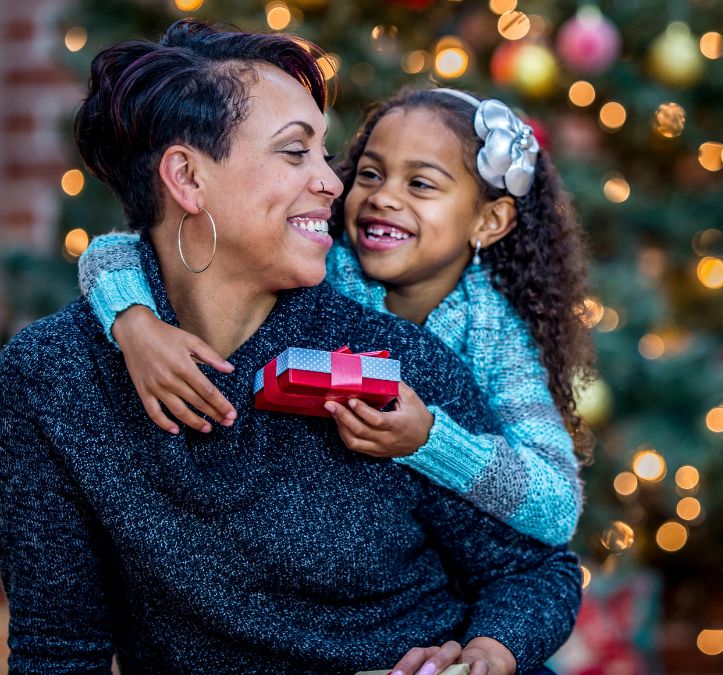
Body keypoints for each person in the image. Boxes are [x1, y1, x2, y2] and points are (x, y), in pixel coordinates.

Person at [0, 19, 581, 675]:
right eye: (294, 151)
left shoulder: (398, 358)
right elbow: (57, 649)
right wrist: (131, 321)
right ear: (186, 178)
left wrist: (484, 654)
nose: (335, 184)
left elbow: (538, 565)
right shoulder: (55, 374)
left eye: (325, 153)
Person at [78, 86, 595, 547]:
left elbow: (558, 506)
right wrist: (135, 325)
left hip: (439, 578)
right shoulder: (321, 268)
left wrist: (431, 441)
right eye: (370, 173)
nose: (382, 197)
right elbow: (117, 252)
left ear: (490, 219)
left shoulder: (495, 335)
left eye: (421, 184)